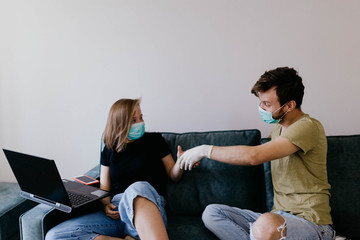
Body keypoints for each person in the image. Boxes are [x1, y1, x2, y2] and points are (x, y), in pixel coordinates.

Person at [178, 67, 335, 240]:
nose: (261, 108)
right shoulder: (277, 130)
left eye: (267, 104)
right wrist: (189, 157)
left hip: (312, 224)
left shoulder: (307, 126)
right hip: (277, 218)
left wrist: (204, 150)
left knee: (266, 222)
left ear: (289, 105)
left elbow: (254, 156)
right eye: (261, 102)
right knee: (212, 213)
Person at [46, 98, 183, 240]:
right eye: (133, 120)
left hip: (147, 204)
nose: (140, 123)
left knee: (137, 188)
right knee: (55, 236)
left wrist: (181, 163)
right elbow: (104, 188)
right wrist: (106, 206)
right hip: (118, 211)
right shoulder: (109, 149)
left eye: (141, 117)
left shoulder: (155, 140)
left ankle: (137, 234)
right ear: (120, 123)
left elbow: (173, 175)